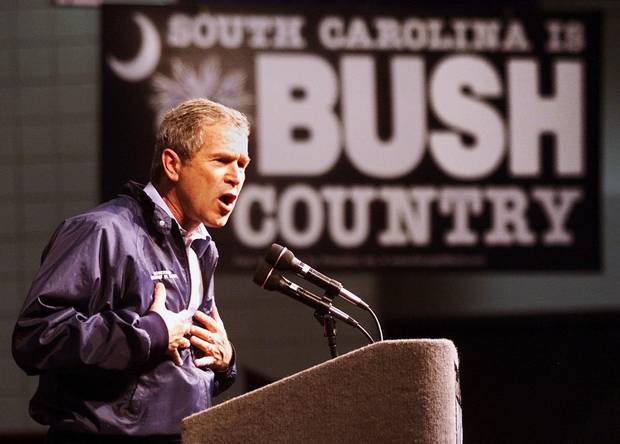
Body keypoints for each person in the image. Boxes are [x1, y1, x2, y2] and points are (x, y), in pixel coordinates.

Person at [12, 98, 251, 443]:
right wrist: (150, 331)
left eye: (243, 164)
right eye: (222, 161)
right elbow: (36, 338)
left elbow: (164, 371)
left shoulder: (202, 247)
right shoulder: (103, 231)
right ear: (172, 164)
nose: (236, 177)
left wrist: (222, 363)